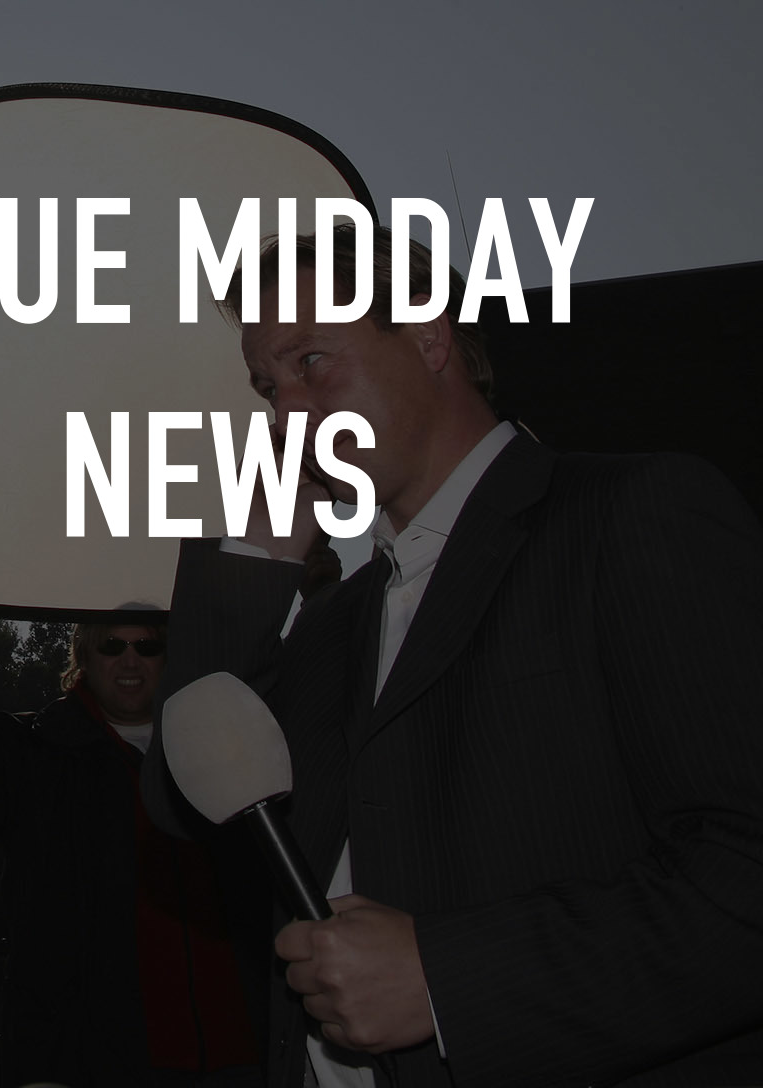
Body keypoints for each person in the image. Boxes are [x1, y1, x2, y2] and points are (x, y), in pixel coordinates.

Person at [142, 226, 763, 1088]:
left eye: (311, 361)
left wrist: (446, 981)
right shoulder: (335, 623)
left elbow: (743, 873)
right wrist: (257, 555)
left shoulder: (630, 514)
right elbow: (186, 801)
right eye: (268, 387)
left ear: (430, 336)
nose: (286, 413)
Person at [0, 556, 268, 1088]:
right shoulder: (39, 755)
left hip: (238, 1057)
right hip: (90, 1063)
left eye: (147, 646)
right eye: (112, 645)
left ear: (170, 656)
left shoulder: (225, 752)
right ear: (83, 655)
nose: (130, 660)